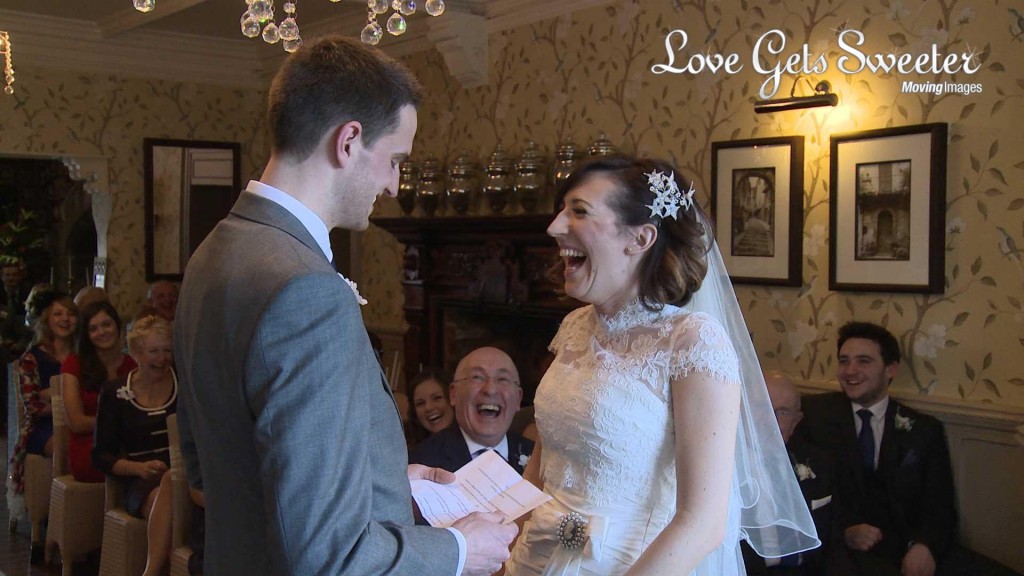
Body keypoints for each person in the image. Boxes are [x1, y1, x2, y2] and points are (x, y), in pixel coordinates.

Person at [173, 36, 516, 576]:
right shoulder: (306, 290)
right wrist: (459, 550)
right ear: (349, 141)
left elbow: (215, 466)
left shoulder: (213, 253)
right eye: (395, 160)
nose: (394, 183)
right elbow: (327, 554)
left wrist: (386, 480)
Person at [505, 156, 818, 575]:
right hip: (536, 558)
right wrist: (498, 542)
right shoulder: (574, 327)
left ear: (640, 238)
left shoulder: (691, 341)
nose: (555, 226)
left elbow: (703, 523)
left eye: (578, 211)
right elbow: (544, 462)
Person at [797, 322, 957, 576]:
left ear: (890, 369)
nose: (850, 371)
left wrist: (924, 546)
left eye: (864, 361)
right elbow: (796, 495)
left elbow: (940, 505)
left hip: (904, 549)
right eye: (844, 361)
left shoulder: (924, 430)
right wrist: (844, 531)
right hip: (837, 554)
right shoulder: (813, 417)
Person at [93, 315, 177, 576]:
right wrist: (137, 469)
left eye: (167, 351)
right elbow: (100, 456)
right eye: (154, 351)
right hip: (140, 480)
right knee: (162, 500)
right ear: (136, 354)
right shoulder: (115, 392)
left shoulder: (185, 386)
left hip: (184, 472)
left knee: (175, 484)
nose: (162, 359)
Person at [742, 372, 850, 576]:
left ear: (796, 420)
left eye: (782, 412)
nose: (770, 420)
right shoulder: (726, 468)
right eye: (762, 407)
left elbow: (833, 544)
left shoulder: (819, 463)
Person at [410, 347, 534, 474]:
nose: (490, 390)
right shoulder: (421, 462)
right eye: (477, 377)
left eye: (502, 379)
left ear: (518, 398)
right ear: (453, 394)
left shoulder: (539, 457)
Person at [8, 289, 76, 501]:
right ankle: (59, 508)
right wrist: (66, 399)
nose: (65, 319)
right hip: (43, 426)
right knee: (65, 446)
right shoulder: (33, 357)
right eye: (58, 314)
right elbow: (33, 406)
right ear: (47, 319)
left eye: (70, 313)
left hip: (79, 420)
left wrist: (52, 393)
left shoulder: (82, 354)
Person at [62, 301, 136, 482]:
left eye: (106, 324)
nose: (102, 332)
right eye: (93, 329)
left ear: (117, 325)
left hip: (130, 445)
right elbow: (77, 422)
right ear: (87, 335)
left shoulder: (133, 365)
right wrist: (116, 424)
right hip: (90, 448)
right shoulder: (74, 364)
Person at [407, 367, 456, 446]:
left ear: (453, 398)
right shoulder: (413, 455)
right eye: (420, 403)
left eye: (437, 398)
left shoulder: (476, 443)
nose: (428, 407)